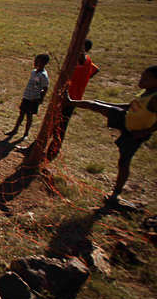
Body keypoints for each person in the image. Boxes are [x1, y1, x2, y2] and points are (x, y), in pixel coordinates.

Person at [67, 66, 157, 204]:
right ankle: (70, 102)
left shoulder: (154, 98)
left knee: (124, 161)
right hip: (126, 120)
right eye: (142, 76)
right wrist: (107, 104)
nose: (142, 80)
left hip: (135, 133)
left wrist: (145, 131)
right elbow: (129, 106)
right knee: (96, 105)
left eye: (146, 78)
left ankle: (116, 193)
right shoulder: (145, 92)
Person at [46, 39, 99, 160]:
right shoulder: (87, 61)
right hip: (70, 97)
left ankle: (52, 151)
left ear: (82, 49)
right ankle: (43, 148)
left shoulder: (80, 59)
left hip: (69, 99)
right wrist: (81, 79)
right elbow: (96, 70)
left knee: (59, 125)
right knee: (52, 122)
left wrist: (77, 83)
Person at [6, 54, 50, 140]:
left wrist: (40, 98)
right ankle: (15, 130)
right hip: (27, 96)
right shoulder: (33, 72)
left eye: (38, 61)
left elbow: (45, 87)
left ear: (44, 63)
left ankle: (26, 133)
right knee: (21, 114)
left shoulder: (43, 75)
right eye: (35, 60)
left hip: (34, 99)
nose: (35, 62)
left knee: (29, 116)